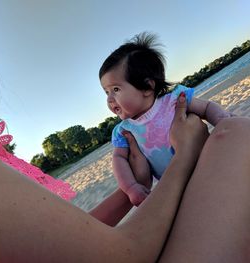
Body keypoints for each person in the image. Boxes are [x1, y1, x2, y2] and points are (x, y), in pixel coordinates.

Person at [0, 1, 250, 263]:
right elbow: (123, 255)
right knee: (237, 135)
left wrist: (133, 186)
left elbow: (63, 240)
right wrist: (186, 155)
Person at [99, 32, 235, 206]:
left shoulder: (174, 101)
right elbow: (118, 159)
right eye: (106, 92)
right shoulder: (124, 131)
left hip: (209, 166)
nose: (109, 99)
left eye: (116, 89)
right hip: (176, 188)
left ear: (147, 86)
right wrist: (131, 187)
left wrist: (223, 120)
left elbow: (207, 107)